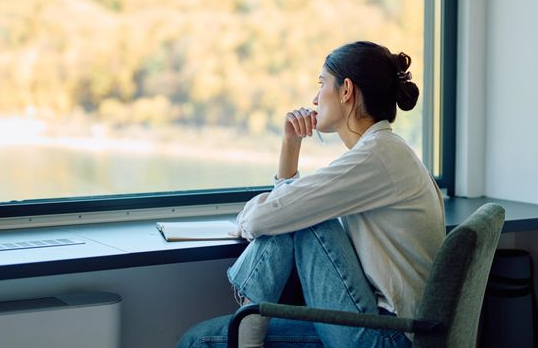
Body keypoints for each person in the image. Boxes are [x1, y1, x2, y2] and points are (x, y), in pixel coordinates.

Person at [176, 41, 445, 348]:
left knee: (200, 342)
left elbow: (265, 217)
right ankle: (246, 335)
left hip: (386, 336)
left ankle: (246, 335)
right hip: (384, 326)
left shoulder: (377, 157)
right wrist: (291, 145)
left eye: (321, 84)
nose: (315, 98)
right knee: (198, 338)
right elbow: (286, 209)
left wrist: (249, 218)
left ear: (346, 91)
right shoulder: (383, 152)